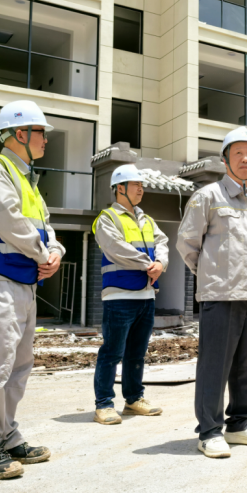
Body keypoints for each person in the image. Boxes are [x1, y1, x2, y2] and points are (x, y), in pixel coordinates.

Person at [0, 100, 65, 479]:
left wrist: (55, 252)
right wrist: (43, 252)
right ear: (20, 133)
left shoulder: (28, 181)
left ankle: (6, 436)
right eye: (41, 132)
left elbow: (46, 228)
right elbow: (9, 220)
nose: (46, 140)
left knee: (18, 367)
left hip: (23, 283)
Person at [175, 126, 247, 458]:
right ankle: (209, 431)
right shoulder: (208, 196)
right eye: (238, 153)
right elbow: (187, 244)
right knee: (214, 365)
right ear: (225, 159)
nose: (245, 159)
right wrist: (212, 276)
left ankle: (240, 424)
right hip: (220, 295)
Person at [91, 165, 169, 425]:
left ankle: (134, 399)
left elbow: (162, 242)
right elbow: (116, 248)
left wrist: (161, 263)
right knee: (112, 352)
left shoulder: (147, 219)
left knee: (136, 353)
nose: (140, 189)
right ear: (119, 188)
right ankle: (104, 404)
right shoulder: (107, 218)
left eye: (142, 185)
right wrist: (149, 265)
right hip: (119, 296)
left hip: (146, 296)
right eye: (136, 184)